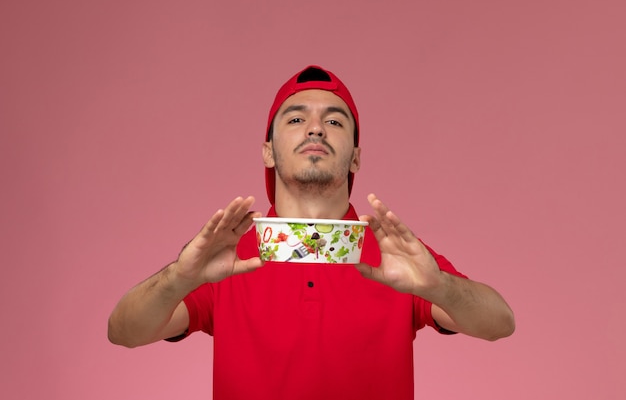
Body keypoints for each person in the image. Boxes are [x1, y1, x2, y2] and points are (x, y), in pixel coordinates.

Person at [108, 65, 515, 400]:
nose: (316, 129)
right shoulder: (227, 255)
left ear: (356, 157)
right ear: (268, 150)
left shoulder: (396, 256)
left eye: (334, 121)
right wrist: (180, 277)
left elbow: (500, 323)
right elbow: (124, 332)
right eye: (297, 118)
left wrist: (439, 287)